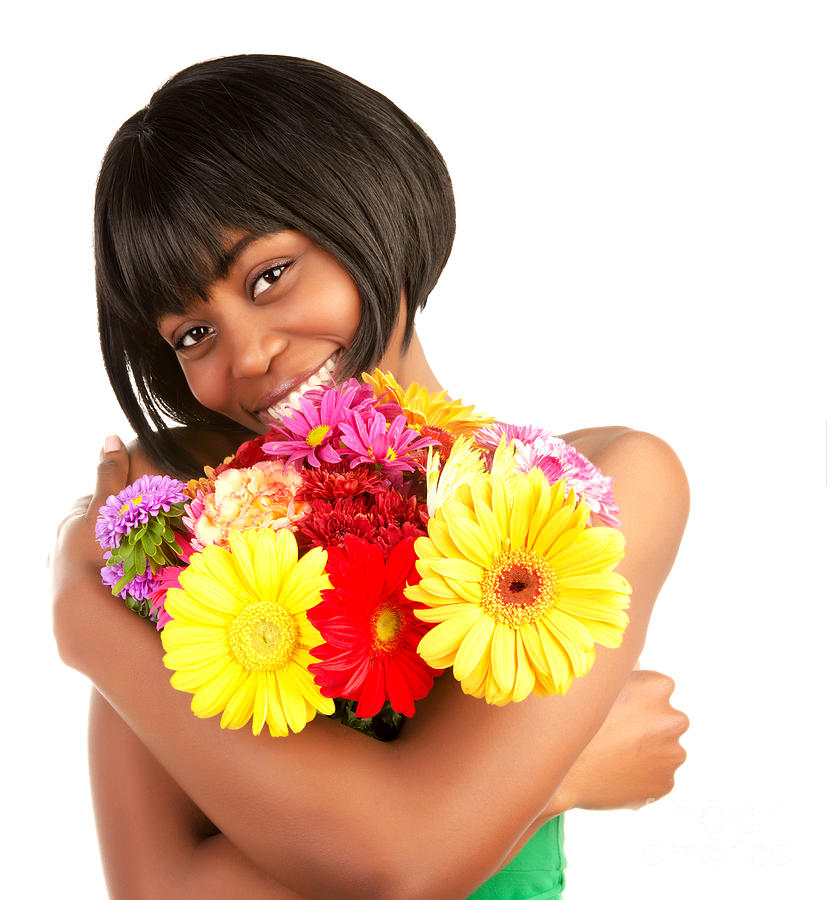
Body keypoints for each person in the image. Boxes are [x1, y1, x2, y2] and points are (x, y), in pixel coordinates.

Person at [51, 54, 690, 899]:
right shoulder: (202, 539)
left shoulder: (595, 486)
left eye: (269, 276)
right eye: (192, 335)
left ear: (369, 206)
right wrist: (552, 784)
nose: (247, 356)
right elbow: (157, 889)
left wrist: (85, 619)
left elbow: (403, 858)